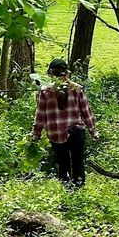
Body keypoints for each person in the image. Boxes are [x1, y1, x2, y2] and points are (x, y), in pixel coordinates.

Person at [31, 59, 98, 189]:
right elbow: (86, 111)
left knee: (63, 162)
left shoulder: (44, 91)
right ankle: (79, 189)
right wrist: (93, 130)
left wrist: (36, 133)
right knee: (78, 161)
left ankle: (67, 190)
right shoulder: (77, 89)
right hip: (77, 131)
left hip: (56, 133)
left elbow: (40, 115)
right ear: (67, 73)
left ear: (50, 73)